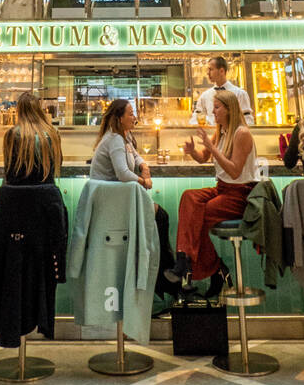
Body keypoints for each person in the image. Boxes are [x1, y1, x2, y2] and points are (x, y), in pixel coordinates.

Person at [173, 89, 258, 299]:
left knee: (199, 215)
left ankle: (189, 266)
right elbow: (203, 158)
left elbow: (235, 170)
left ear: (229, 109)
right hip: (222, 188)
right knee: (188, 197)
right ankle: (195, 263)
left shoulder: (242, 133)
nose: (213, 112)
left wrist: (212, 147)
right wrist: (193, 151)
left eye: (217, 108)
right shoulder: (221, 131)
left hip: (240, 195)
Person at [90, 98, 176, 301]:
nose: (134, 117)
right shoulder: (115, 140)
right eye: (130, 113)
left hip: (117, 199)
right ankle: (161, 276)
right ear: (119, 119)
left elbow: (136, 157)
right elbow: (122, 173)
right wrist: (143, 181)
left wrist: (144, 167)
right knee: (160, 216)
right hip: (111, 205)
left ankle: (161, 275)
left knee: (159, 217)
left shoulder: (124, 137)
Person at [3, 91, 62, 185]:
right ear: (39, 109)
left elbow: (9, 169)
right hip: (47, 193)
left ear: (19, 111)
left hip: (17, 194)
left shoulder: (12, 134)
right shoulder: (52, 133)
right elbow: (57, 164)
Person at [189, 56, 253, 126]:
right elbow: (195, 119)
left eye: (211, 69)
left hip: (233, 135)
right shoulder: (205, 96)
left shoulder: (240, 94)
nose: (207, 73)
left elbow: (248, 121)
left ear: (222, 71)